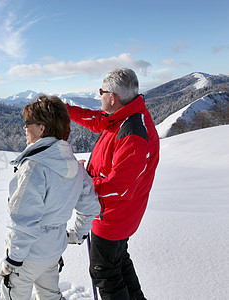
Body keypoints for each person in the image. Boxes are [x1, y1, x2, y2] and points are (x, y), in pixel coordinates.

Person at [66, 68, 160, 300]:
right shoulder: (126, 115)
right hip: (118, 215)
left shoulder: (132, 134)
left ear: (112, 97)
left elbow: (120, 187)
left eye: (101, 91)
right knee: (119, 264)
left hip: (111, 218)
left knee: (105, 275)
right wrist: (65, 111)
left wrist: (83, 180)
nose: (99, 95)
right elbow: (99, 121)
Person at [0, 95, 100, 300]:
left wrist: (13, 260)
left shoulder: (33, 167)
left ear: (42, 128)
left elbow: (24, 219)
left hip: (28, 256)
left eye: (28, 124)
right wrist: (76, 235)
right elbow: (90, 206)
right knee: (50, 295)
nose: (24, 128)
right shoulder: (73, 165)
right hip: (53, 250)